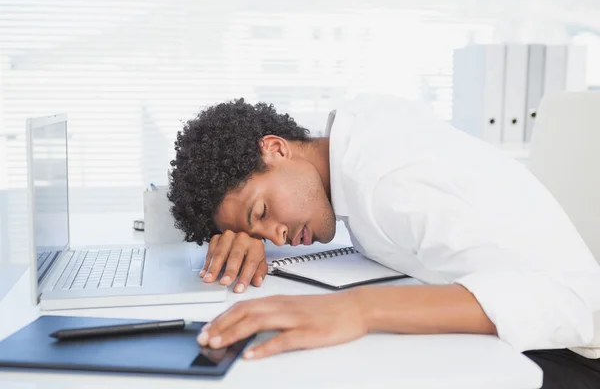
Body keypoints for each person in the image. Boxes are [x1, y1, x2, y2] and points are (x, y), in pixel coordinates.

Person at [167, 94, 600, 388]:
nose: (276, 234)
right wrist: (258, 240)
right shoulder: (351, 143)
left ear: (277, 149)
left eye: (261, 214)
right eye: (256, 229)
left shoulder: (387, 181)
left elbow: (576, 301)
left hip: (567, 358)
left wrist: (357, 310)